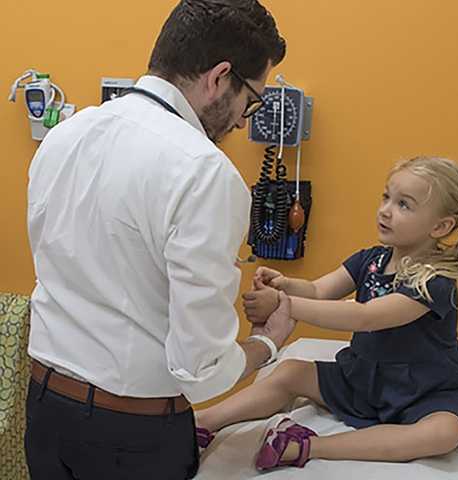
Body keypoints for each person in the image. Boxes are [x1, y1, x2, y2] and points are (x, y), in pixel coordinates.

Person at [24, 1, 292, 479]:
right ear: (219, 77)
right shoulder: (205, 173)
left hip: (45, 412)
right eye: (252, 100)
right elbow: (201, 366)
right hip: (128, 437)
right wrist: (266, 344)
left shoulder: (66, 134)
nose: (243, 122)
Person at [195, 156, 458, 470]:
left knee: (444, 433)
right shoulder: (370, 259)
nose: (386, 210)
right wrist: (286, 285)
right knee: (291, 371)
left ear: (440, 226)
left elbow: (367, 317)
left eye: (404, 205)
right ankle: (202, 422)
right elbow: (319, 290)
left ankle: (305, 445)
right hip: (362, 380)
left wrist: (284, 305)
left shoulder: (434, 280)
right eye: (386, 197)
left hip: (422, 390)